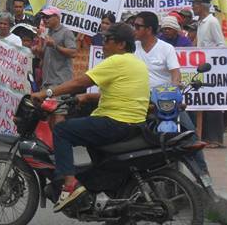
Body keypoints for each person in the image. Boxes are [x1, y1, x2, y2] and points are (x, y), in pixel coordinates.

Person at [31, 23, 150, 212]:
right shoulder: (137, 63)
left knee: (62, 130)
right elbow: (121, 94)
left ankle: (70, 184)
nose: (103, 44)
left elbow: (80, 82)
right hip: (132, 124)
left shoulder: (116, 61)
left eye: (107, 40)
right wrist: (87, 97)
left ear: (121, 44)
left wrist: (46, 93)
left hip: (115, 123)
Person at [133, 11, 211, 186]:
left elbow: (175, 74)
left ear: (149, 29)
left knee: (190, 135)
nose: (134, 29)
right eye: (134, 26)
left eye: (138, 26)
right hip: (139, 102)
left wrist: (173, 93)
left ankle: (204, 177)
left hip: (164, 101)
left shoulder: (165, 48)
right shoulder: (132, 48)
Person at [192, 0, 226, 147]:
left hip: (211, 67)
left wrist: (211, 58)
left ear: (202, 6)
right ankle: (206, 136)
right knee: (204, 102)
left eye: (195, 4)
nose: (193, 7)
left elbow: (220, 45)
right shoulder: (200, 22)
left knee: (213, 103)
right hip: (202, 67)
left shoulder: (212, 22)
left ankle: (215, 139)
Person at [37, 7, 77, 89]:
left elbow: (73, 53)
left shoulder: (66, 32)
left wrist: (55, 46)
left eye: (47, 17)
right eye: (43, 17)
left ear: (57, 18)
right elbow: (44, 57)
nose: (44, 19)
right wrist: (37, 49)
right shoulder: (47, 33)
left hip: (60, 83)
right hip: (46, 82)